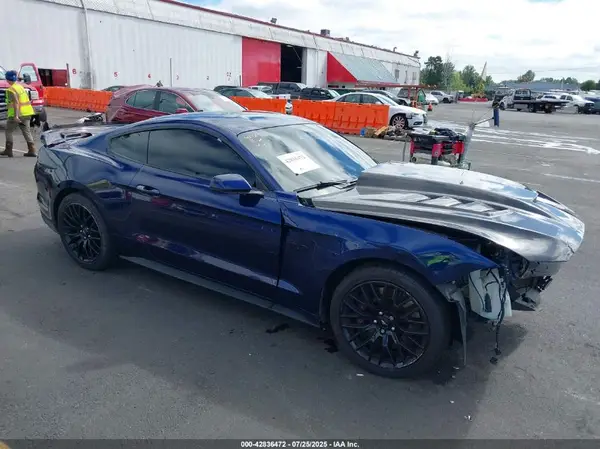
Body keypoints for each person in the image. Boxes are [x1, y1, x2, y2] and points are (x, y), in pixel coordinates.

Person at [0, 70, 36, 158]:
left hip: (16, 114)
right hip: (27, 113)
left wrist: (16, 116)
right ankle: (32, 150)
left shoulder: (11, 89)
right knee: (26, 131)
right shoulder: (20, 87)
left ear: (7, 79)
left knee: (9, 131)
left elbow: (16, 103)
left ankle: (8, 150)